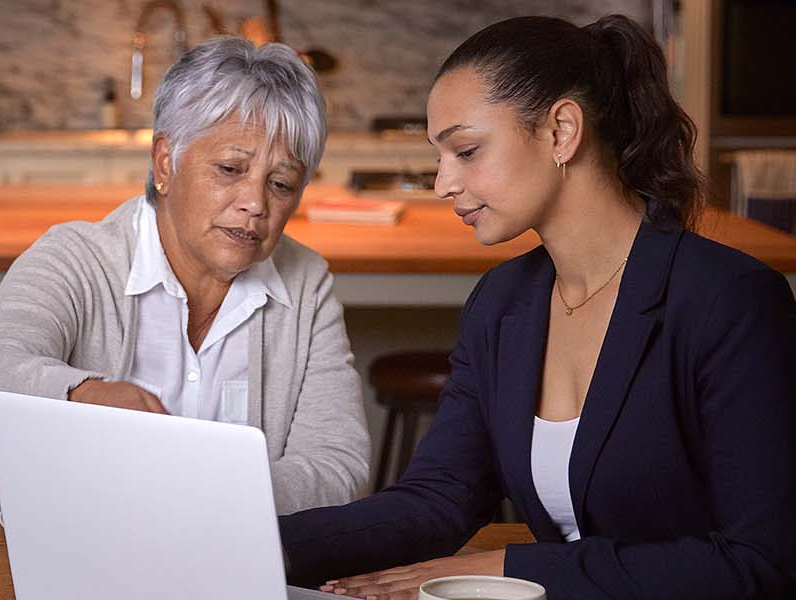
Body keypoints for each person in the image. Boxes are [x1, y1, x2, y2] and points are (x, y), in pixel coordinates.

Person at [280, 15, 796, 600]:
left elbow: (762, 562)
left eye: (467, 151)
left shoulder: (730, 301)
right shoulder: (501, 303)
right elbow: (438, 498)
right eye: (440, 157)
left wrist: (520, 568)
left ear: (561, 131)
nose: (443, 183)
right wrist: (264, 544)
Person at [0, 37, 371, 523]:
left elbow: (341, 466)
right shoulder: (75, 257)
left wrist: (204, 492)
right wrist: (84, 396)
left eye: (280, 184)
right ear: (164, 163)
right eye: (230, 169)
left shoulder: (306, 284)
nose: (256, 203)